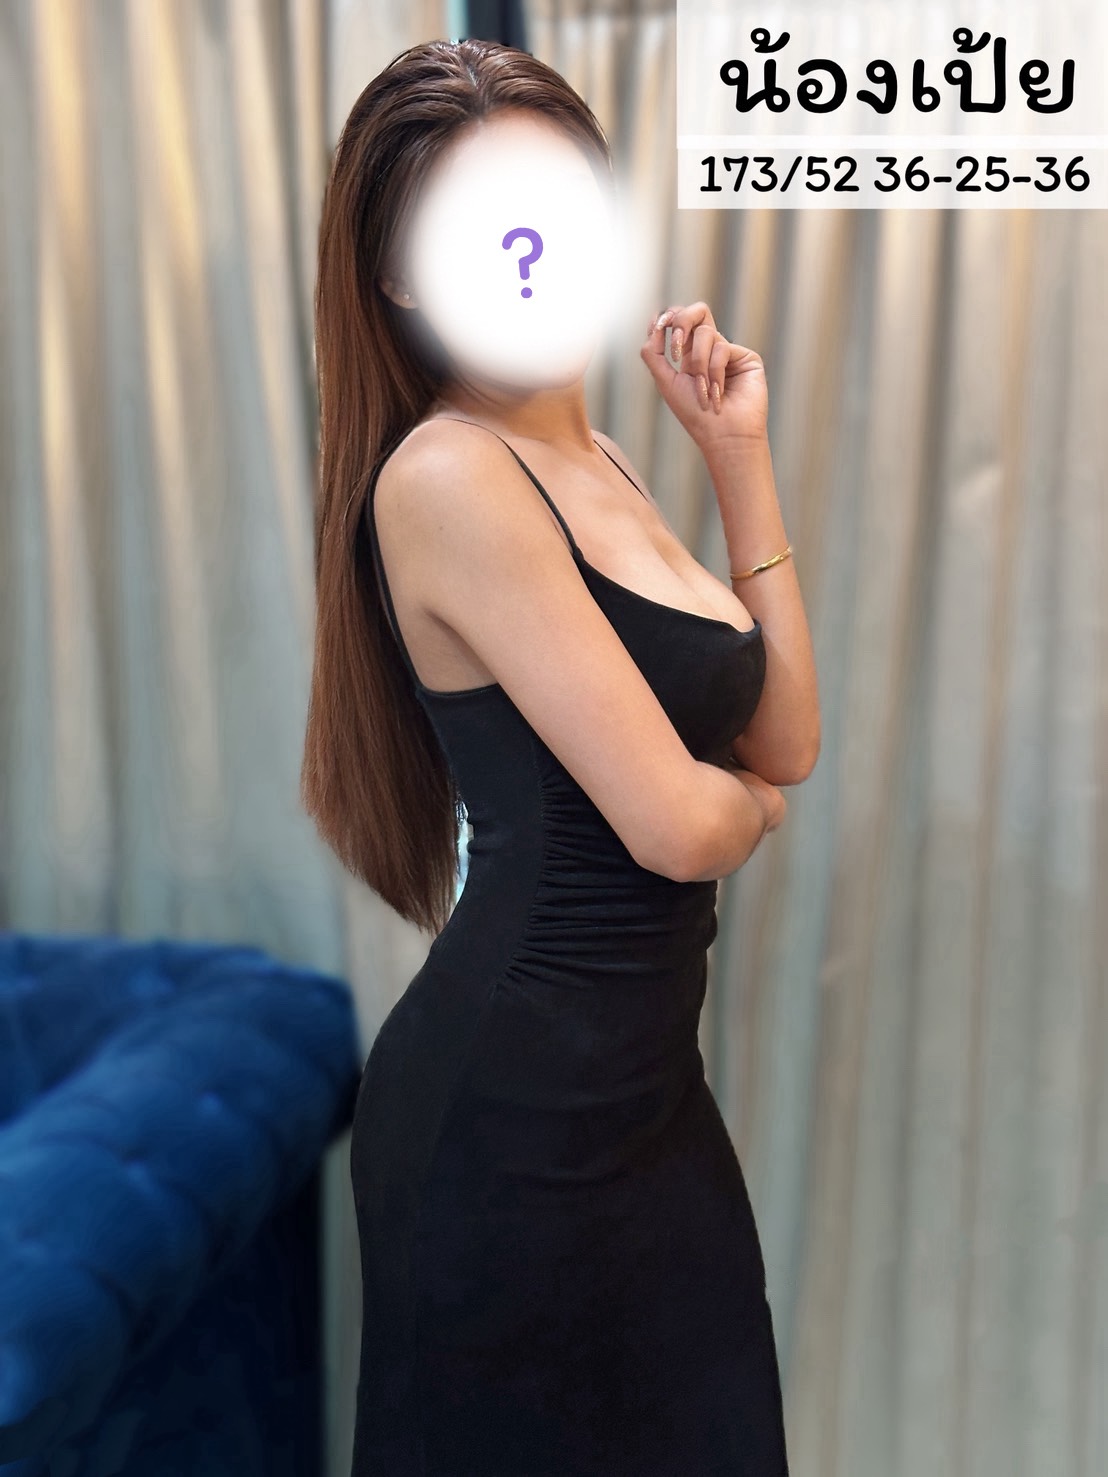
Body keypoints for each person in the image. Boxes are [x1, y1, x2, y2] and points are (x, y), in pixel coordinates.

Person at [301, 35, 819, 1477]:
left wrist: (736, 456)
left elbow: (784, 736)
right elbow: (677, 825)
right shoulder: (449, 474)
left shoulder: (606, 464)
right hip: (509, 1119)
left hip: (647, 1095)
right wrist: (743, 811)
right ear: (403, 275)